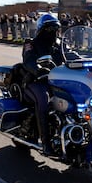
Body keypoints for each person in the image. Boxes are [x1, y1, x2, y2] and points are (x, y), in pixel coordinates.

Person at [22, 13, 62, 155]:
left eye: (55, 29)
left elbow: (72, 55)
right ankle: (46, 143)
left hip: (58, 82)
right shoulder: (31, 44)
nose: (53, 33)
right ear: (42, 29)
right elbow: (28, 61)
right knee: (44, 100)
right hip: (36, 82)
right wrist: (38, 70)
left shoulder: (60, 45)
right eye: (49, 29)